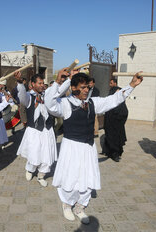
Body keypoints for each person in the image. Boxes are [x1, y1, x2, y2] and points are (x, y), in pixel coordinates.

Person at [45, 69, 143, 224]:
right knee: (71, 177)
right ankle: (67, 205)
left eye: (87, 87)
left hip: (88, 148)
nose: (86, 90)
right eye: (83, 87)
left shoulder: (93, 103)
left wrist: (132, 85)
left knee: (87, 177)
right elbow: (49, 103)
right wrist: (58, 82)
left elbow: (113, 99)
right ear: (74, 88)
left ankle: (80, 207)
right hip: (72, 148)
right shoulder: (65, 104)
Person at [15, 72, 57, 187]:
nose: (42, 85)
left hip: (47, 130)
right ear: (33, 84)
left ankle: (41, 176)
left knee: (47, 155)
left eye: (43, 83)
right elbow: (22, 96)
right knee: (34, 154)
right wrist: (19, 82)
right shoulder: (29, 97)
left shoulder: (46, 95)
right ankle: (30, 169)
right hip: (34, 131)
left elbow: (57, 91)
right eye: (39, 83)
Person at [103, 80, 128, 162]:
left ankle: (115, 154)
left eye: (111, 83)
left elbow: (122, 109)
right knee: (110, 136)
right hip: (111, 118)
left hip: (118, 119)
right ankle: (108, 152)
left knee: (116, 137)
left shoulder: (118, 93)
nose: (110, 84)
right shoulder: (112, 92)